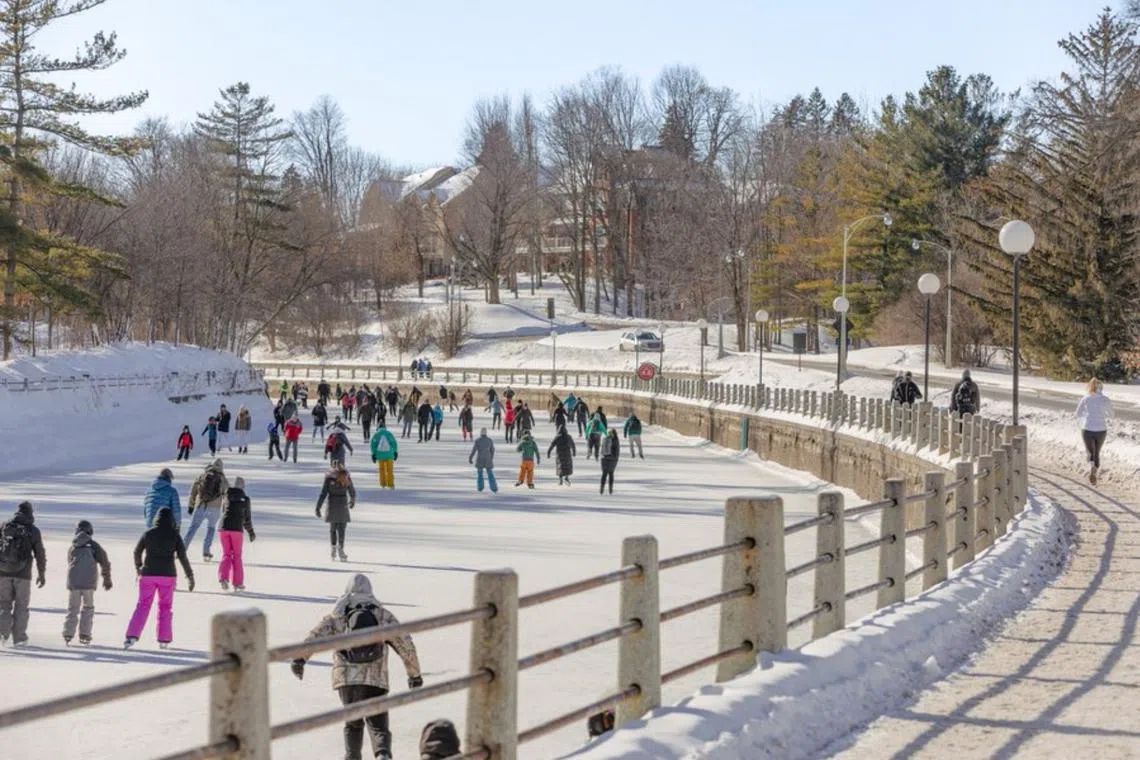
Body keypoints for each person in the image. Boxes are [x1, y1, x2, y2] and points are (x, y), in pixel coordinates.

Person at [290, 574, 422, 760]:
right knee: (378, 725)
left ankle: (352, 757)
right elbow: (405, 644)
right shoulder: (382, 615)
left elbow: (316, 636)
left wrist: (299, 659)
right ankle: (382, 753)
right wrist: (414, 675)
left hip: (346, 681)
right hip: (375, 679)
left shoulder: (337, 615)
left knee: (353, 724)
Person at [125, 508, 194, 649]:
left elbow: (137, 551)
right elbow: (182, 556)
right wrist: (189, 575)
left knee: (143, 605)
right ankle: (164, 639)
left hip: (148, 574)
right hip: (168, 576)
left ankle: (131, 636)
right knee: (165, 607)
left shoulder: (148, 533)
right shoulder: (174, 535)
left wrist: (138, 567)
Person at [0, 501, 46, 647]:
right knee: (21, 606)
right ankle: (19, 638)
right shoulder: (33, 530)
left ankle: (2, 633)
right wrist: (41, 573)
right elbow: (40, 554)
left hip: (3, 572)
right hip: (23, 574)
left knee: (3, 604)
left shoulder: (4, 526)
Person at [62, 520, 112, 646]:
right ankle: (85, 634)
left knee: (73, 608)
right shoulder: (93, 545)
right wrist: (107, 578)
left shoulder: (73, 545)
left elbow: (69, 561)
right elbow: (104, 562)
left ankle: (68, 633)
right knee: (88, 608)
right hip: (89, 582)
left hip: (73, 582)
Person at [185, 459, 229, 562]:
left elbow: (193, 491)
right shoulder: (223, 479)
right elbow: (227, 494)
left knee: (192, 528)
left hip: (200, 506)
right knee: (211, 529)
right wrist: (225, 508)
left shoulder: (202, 475)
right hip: (215, 509)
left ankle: (182, 549)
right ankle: (206, 551)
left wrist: (191, 505)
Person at [218, 476, 255, 591]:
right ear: (243, 487)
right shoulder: (245, 499)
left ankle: (223, 578)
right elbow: (247, 518)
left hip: (223, 528)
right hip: (236, 530)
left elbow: (223, 511)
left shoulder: (226, 496)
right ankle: (238, 583)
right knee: (237, 556)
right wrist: (250, 532)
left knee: (226, 554)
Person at [317, 462, 357, 561]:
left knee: (333, 528)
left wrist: (318, 507)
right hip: (343, 505)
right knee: (341, 529)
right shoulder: (346, 477)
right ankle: (341, 550)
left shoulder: (329, 478)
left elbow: (323, 493)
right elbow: (352, 491)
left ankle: (334, 549)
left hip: (332, 505)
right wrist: (352, 500)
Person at [1077, 378, 1112, 485]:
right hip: (1101, 429)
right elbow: (1111, 414)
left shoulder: (1085, 398)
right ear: (1101, 388)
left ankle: (1091, 465)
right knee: (1097, 452)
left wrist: (1088, 416)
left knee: (1090, 452)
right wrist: (1102, 415)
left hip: (1087, 428)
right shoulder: (1105, 399)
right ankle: (1095, 470)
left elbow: (1078, 413)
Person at [370, 421, 399, 489]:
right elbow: (394, 443)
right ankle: (390, 484)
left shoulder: (376, 435)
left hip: (380, 455)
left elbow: (372, 445)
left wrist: (373, 454)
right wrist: (395, 452)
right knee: (389, 470)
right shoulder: (389, 434)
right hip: (389, 454)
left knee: (382, 470)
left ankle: (383, 484)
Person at [469, 428, 497, 492]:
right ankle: (493, 487)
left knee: (480, 474)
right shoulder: (490, 440)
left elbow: (474, 450)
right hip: (488, 459)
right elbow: (492, 450)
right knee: (490, 473)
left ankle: (480, 487)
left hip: (480, 459)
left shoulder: (478, 441)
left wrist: (470, 458)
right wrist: (491, 457)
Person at [600, 429, 620, 494]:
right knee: (611, 473)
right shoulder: (616, 440)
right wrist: (616, 459)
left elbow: (602, 449)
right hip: (612, 459)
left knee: (604, 474)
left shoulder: (605, 439)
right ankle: (610, 489)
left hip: (604, 458)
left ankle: (602, 488)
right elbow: (617, 451)